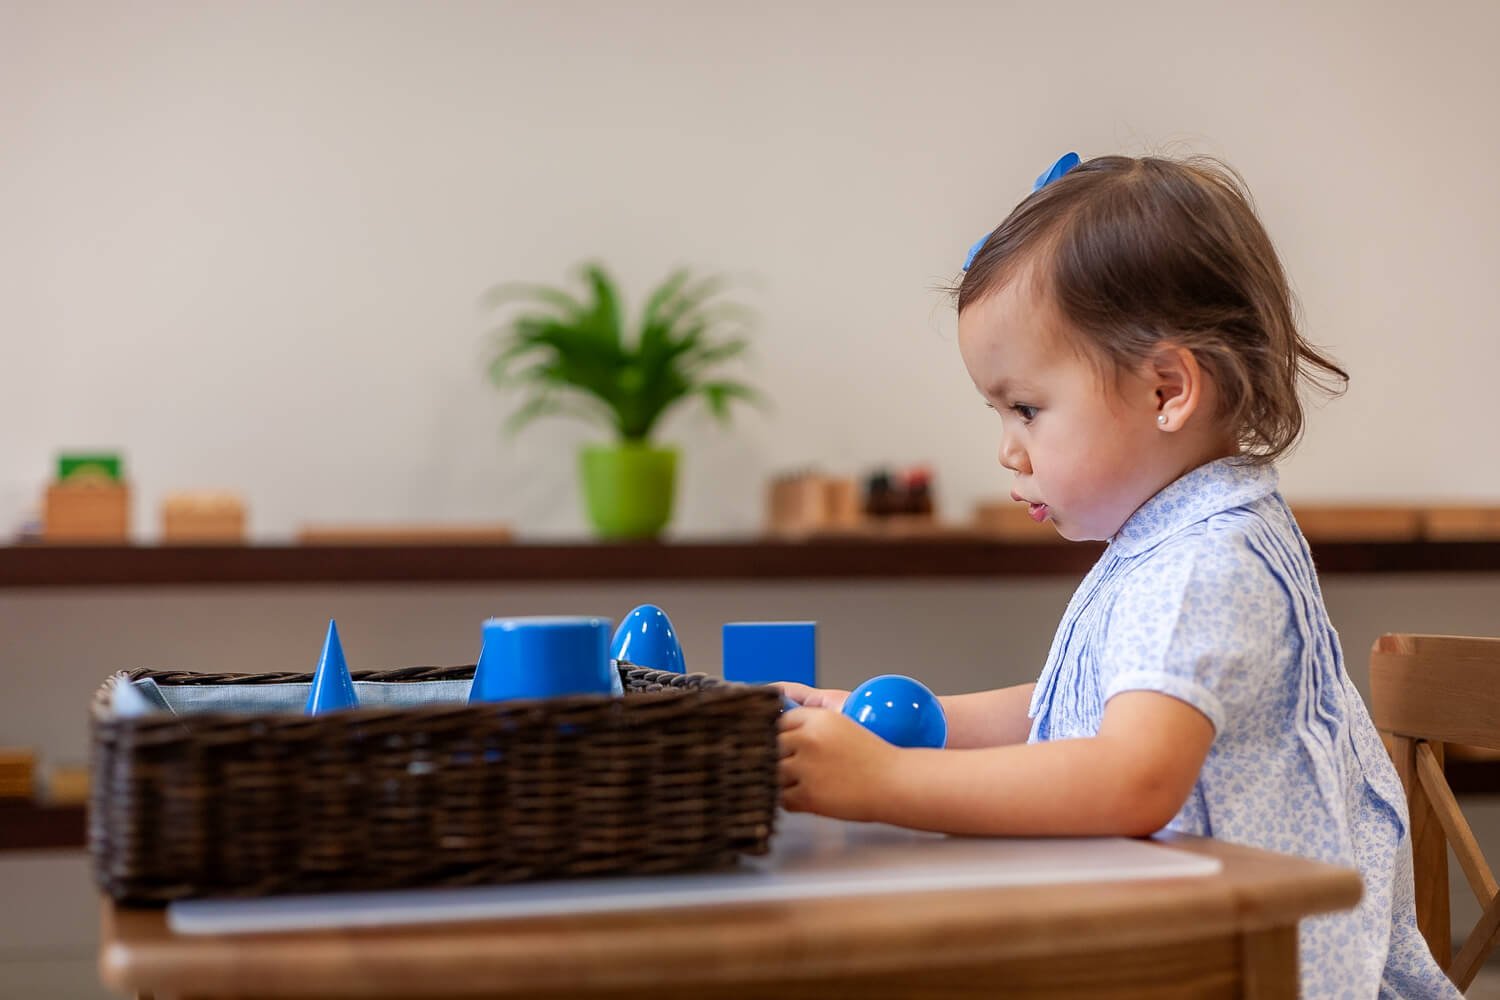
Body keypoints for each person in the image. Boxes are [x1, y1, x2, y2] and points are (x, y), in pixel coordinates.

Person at [776, 153, 1458, 998]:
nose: (1006, 447)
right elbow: (1078, 705)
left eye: (1025, 407)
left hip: (1250, 973)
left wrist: (886, 784)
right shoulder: (1177, 536)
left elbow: (1132, 776)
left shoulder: (1209, 560)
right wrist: (908, 723)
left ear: (1168, 388)